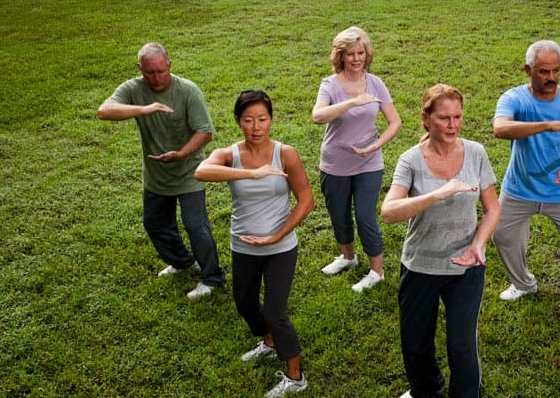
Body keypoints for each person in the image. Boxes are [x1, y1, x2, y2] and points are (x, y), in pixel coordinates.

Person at [381, 84, 501, 398]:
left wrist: (478, 245)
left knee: (461, 345)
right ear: (426, 119)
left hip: (465, 266)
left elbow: (492, 208)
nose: (452, 125)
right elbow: (389, 213)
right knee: (415, 342)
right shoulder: (411, 160)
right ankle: (425, 388)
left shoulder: (475, 152)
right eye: (444, 118)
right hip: (421, 264)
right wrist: (437, 193)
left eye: (457, 117)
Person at [194, 90, 314, 397]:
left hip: (280, 247)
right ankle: (269, 341)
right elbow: (201, 171)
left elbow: (306, 200)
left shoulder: (285, 154)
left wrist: (277, 235)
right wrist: (251, 172)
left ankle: (295, 378)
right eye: (248, 120)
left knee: (275, 312)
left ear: (271, 119)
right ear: (238, 121)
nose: (256, 126)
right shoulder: (229, 154)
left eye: (262, 119)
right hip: (243, 246)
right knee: (245, 303)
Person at [97, 42, 225, 299]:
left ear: (169, 65)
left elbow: (205, 132)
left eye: (160, 71)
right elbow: (104, 111)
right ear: (140, 70)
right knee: (154, 224)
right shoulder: (134, 89)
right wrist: (145, 108)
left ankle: (213, 277)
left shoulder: (188, 91)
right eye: (149, 73)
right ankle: (182, 261)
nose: (155, 78)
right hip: (156, 175)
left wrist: (180, 154)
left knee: (195, 226)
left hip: (189, 172)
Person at [491, 40, 560, 333]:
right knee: (502, 235)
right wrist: (547, 125)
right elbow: (500, 129)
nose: (551, 78)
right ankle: (524, 284)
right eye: (543, 71)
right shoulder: (515, 99)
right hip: (520, 187)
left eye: (556, 71)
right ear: (528, 70)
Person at [312, 26, 403, 292]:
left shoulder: (375, 83)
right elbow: (317, 117)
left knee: (365, 216)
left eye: (360, 52)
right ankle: (348, 257)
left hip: (369, 163)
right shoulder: (329, 85)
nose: (356, 59)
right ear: (340, 56)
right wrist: (353, 102)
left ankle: (377, 271)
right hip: (334, 163)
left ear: (367, 54)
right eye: (350, 54)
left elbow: (395, 122)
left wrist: (375, 145)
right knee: (339, 215)